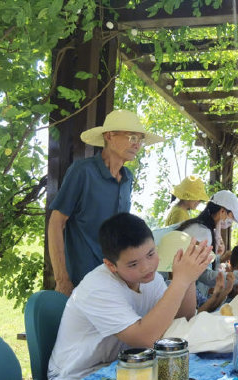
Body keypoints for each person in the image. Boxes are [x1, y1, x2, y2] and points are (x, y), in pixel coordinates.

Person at [48, 213, 213, 380]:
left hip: (123, 368)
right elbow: (145, 340)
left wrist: (189, 279)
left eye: (151, 254)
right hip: (76, 378)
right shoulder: (97, 288)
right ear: (111, 265)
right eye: (133, 264)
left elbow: (181, 318)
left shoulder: (150, 279)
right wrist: (180, 281)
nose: (146, 267)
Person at [48, 109, 164, 296]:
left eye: (140, 139)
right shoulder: (82, 171)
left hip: (116, 280)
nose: (137, 144)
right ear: (109, 136)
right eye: (132, 137)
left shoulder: (127, 178)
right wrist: (62, 279)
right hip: (82, 281)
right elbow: (56, 222)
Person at [177, 190, 238, 295]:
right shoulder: (202, 232)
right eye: (232, 217)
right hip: (185, 293)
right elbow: (203, 275)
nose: (231, 222)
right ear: (222, 212)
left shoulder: (199, 226)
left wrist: (219, 258)